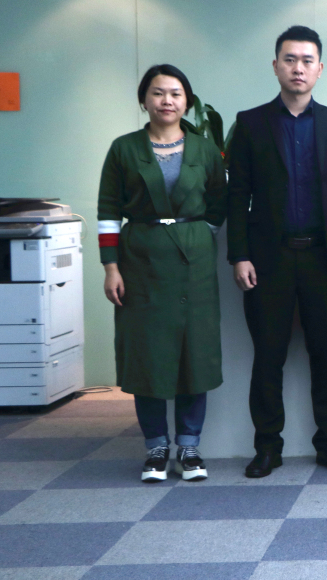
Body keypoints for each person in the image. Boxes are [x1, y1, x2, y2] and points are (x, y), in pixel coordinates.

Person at [226, 25, 327, 478]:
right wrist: (239, 254)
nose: (298, 68)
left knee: (326, 355)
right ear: (275, 66)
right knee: (269, 356)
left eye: (307, 61)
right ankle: (267, 447)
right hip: (269, 261)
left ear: (320, 69)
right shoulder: (250, 123)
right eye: (290, 59)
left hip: (325, 259)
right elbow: (237, 195)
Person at [98, 64, 226, 483]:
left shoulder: (204, 149)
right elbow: (107, 211)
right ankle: (155, 447)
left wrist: (197, 234)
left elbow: (219, 203)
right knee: (147, 356)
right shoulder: (123, 149)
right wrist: (111, 267)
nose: (167, 101)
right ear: (144, 100)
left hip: (194, 264)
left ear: (187, 101)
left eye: (175, 93)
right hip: (140, 263)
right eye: (157, 93)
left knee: (195, 353)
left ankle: (189, 446)